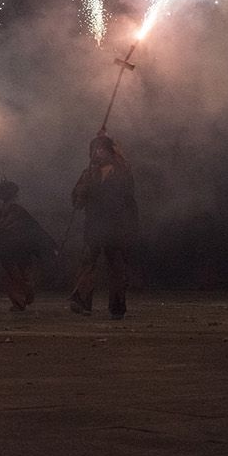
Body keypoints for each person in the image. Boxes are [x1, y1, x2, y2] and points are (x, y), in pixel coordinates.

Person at [68, 130, 139, 319]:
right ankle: (82, 301)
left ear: (109, 152)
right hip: (94, 226)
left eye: (100, 150)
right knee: (87, 263)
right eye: (94, 150)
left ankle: (117, 307)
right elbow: (77, 201)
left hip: (116, 226)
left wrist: (111, 142)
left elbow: (128, 198)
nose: (96, 154)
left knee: (116, 268)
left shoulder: (121, 172)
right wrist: (81, 193)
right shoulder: (89, 174)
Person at [0, 179, 46, 311]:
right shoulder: (3, 206)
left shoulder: (15, 208)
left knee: (15, 273)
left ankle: (24, 296)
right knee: (15, 273)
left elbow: (6, 223)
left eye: (1, 192)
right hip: (8, 245)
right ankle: (22, 297)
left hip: (15, 245)